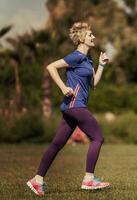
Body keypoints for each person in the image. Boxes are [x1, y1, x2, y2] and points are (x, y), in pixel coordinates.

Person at [26, 22, 110, 196]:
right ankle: (89, 179)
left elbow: (93, 84)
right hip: (75, 104)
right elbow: (51, 67)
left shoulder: (87, 60)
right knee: (98, 137)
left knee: (57, 143)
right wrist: (63, 87)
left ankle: (37, 180)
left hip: (72, 107)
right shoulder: (76, 56)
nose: (93, 37)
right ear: (81, 39)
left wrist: (101, 66)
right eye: (89, 35)